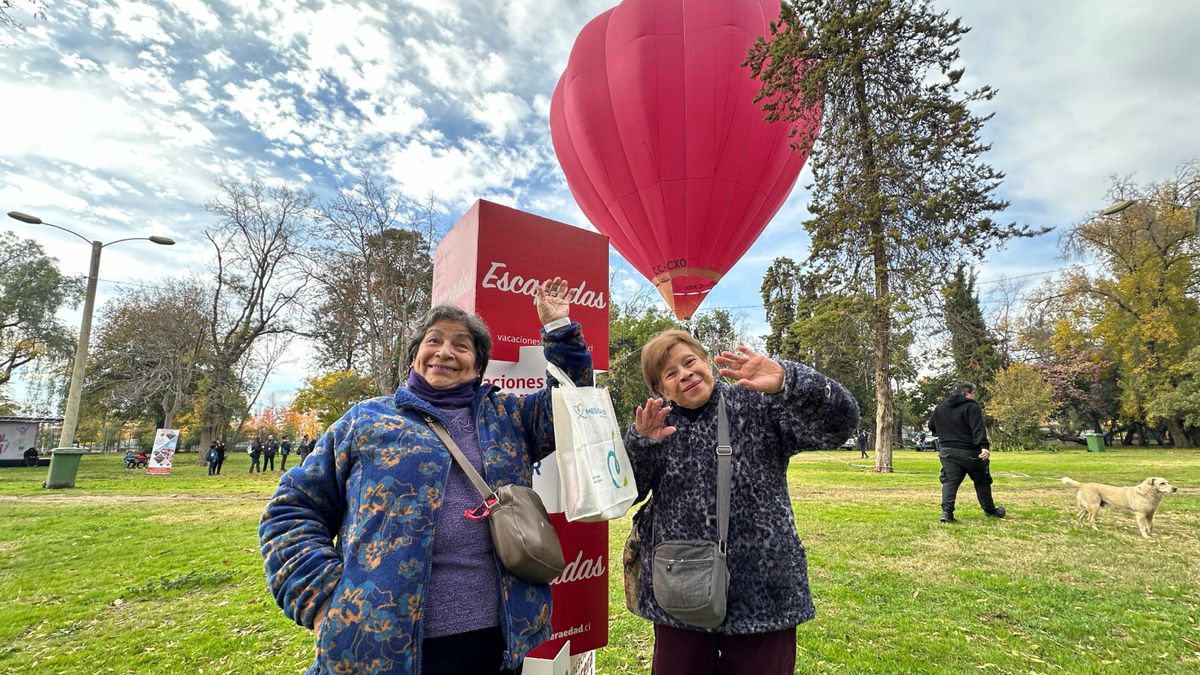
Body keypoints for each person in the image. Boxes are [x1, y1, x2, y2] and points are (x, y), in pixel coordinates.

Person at [259, 278, 592, 675]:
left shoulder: (509, 418)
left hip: (502, 640)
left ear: (478, 366)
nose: (445, 352)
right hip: (381, 645)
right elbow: (291, 512)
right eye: (434, 341)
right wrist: (321, 598)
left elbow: (571, 400)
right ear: (416, 354)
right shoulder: (366, 421)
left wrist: (558, 329)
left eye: (461, 345)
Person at [625, 330, 859, 675]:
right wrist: (640, 444)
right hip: (680, 590)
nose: (685, 374)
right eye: (670, 374)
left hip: (762, 592)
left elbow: (841, 423)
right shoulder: (657, 426)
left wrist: (788, 381)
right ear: (660, 390)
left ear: (707, 362)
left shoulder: (757, 405)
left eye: (689, 362)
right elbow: (626, 492)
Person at [928, 381, 1006, 523]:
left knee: (950, 482)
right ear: (967, 393)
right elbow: (978, 427)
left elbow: (931, 425)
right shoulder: (971, 406)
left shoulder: (940, 408)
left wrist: (944, 434)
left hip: (947, 451)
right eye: (973, 393)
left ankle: (946, 513)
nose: (974, 396)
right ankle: (990, 510)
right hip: (970, 451)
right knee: (982, 481)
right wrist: (984, 446)